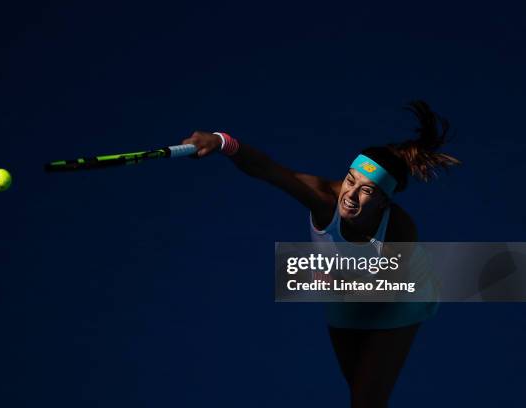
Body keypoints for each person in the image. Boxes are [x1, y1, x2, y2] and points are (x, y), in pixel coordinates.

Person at [181, 100, 460, 408]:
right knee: (359, 395)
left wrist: (335, 283)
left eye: (366, 191)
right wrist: (222, 141)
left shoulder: (400, 229)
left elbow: (387, 288)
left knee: (367, 401)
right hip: (342, 298)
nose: (350, 196)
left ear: (383, 201)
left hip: (396, 299)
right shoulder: (324, 199)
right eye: (351, 181)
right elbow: (267, 169)